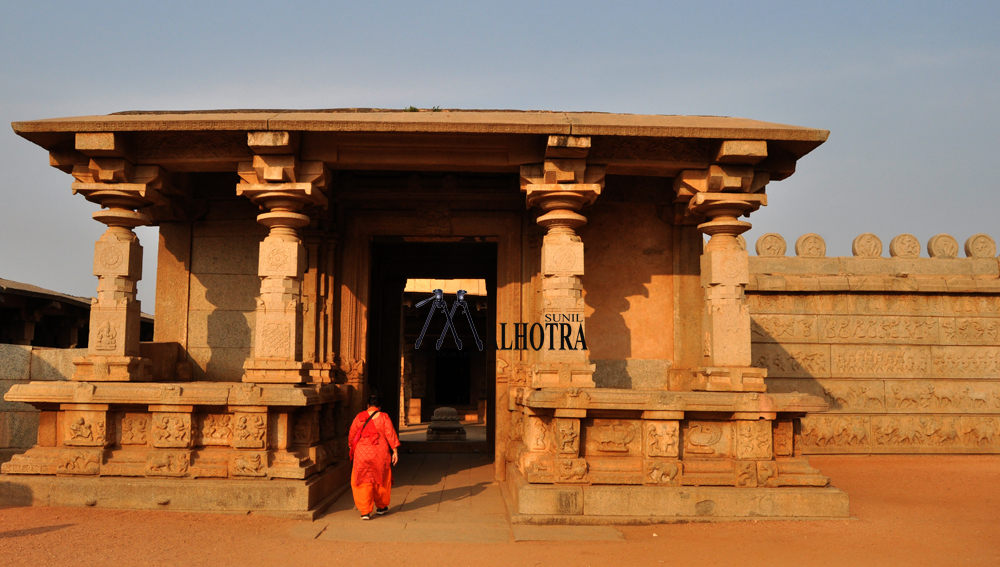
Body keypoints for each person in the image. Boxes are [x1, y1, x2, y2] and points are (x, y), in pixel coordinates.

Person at [348, 394, 400, 520]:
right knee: (381, 478)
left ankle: (365, 511)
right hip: (379, 453)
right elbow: (390, 434)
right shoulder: (384, 417)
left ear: (367, 405)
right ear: (379, 407)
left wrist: (351, 447)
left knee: (361, 480)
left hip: (362, 454)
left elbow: (352, 435)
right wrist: (395, 451)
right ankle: (381, 507)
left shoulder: (359, 417)